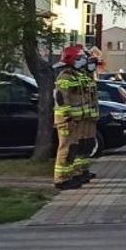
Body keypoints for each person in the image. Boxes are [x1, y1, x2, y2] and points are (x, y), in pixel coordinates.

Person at [53, 44, 98, 189]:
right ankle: (61, 179)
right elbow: (62, 99)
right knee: (67, 149)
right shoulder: (65, 77)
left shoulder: (78, 75)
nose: (83, 61)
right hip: (68, 120)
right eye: (79, 58)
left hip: (78, 120)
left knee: (77, 148)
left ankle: (72, 175)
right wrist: (67, 117)